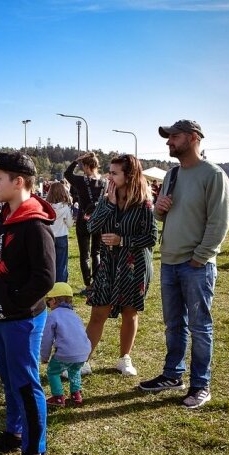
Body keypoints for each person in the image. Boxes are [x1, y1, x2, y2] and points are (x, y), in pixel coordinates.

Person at [139, 120, 229, 409]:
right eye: (168, 138)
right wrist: (159, 210)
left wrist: (200, 257)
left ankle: (200, 385)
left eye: (174, 137)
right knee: (174, 324)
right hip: (170, 261)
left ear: (193, 138)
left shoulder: (214, 175)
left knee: (201, 327)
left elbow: (219, 222)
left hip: (196, 265)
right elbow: (161, 216)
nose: (168, 142)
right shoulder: (173, 175)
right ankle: (172, 375)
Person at [0, 151, 55, 455]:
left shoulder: (34, 225)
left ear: (18, 182)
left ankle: (36, 454)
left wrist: (14, 303)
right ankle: (15, 432)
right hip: (2, 315)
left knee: (25, 382)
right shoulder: (4, 216)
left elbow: (46, 277)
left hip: (20, 318)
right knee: (9, 379)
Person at [86, 154, 157, 377]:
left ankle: (124, 358)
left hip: (134, 266)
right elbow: (92, 227)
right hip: (109, 265)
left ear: (130, 176)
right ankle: (84, 360)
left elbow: (151, 238)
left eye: (115, 173)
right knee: (98, 312)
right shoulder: (107, 198)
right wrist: (109, 204)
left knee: (130, 312)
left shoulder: (144, 203)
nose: (110, 176)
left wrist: (122, 240)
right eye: (110, 172)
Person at [40, 282, 92, 407]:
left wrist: (44, 356)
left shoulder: (52, 316)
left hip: (65, 354)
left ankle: (58, 397)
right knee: (74, 370)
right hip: (83, 353)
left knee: (53, 372)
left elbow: (46, 339)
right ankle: (76, 395)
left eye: (48, 302)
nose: (48, 305)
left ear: (53, 301)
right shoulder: (75, 315)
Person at [64, 152, 107, 294]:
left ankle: (88, 285)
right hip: (100, 220)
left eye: (83, 166)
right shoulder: (105, 182)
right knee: (97, 252)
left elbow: (67, 173)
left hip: (84, 219)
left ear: (87, 166)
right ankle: (97, 282)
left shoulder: (81, 181)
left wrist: (76, 161)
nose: (82, 168)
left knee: (85, 254)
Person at [46, 182, 73, 283]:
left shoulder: (47, 207)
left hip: (49, 236)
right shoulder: (65, 208)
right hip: (61, 236)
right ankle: (61, 285)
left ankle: (50, 283)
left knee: (50, 262)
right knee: (62, 263)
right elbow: (70, 224)